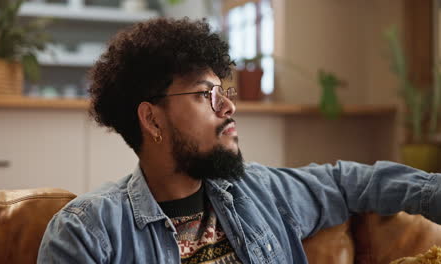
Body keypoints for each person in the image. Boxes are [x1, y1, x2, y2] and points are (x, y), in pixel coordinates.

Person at [37, 17, 441, 264]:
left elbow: (349, 183)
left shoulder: (261, 192)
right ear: (151, 118)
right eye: (204, 95)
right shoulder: (88, 233)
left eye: (223, 91)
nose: (227, 107)